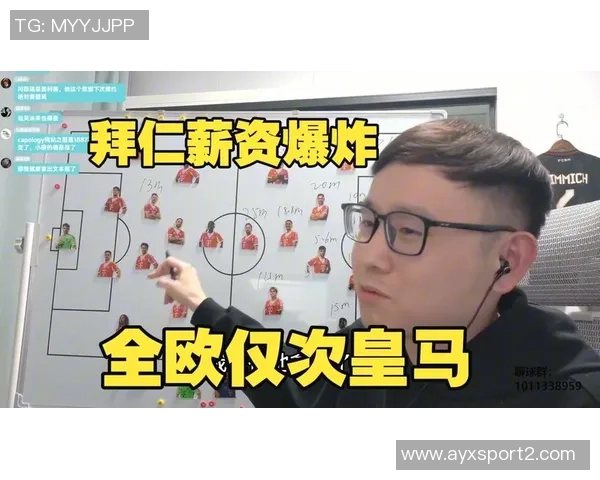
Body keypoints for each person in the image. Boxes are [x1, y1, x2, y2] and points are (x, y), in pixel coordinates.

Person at [148, 119, 600, 407]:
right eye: (368, 222)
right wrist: (200, 303)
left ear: (508, 261)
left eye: (410, 230)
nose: (367, 257)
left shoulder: (564, 403)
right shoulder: (372, 348)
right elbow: (287, 379)